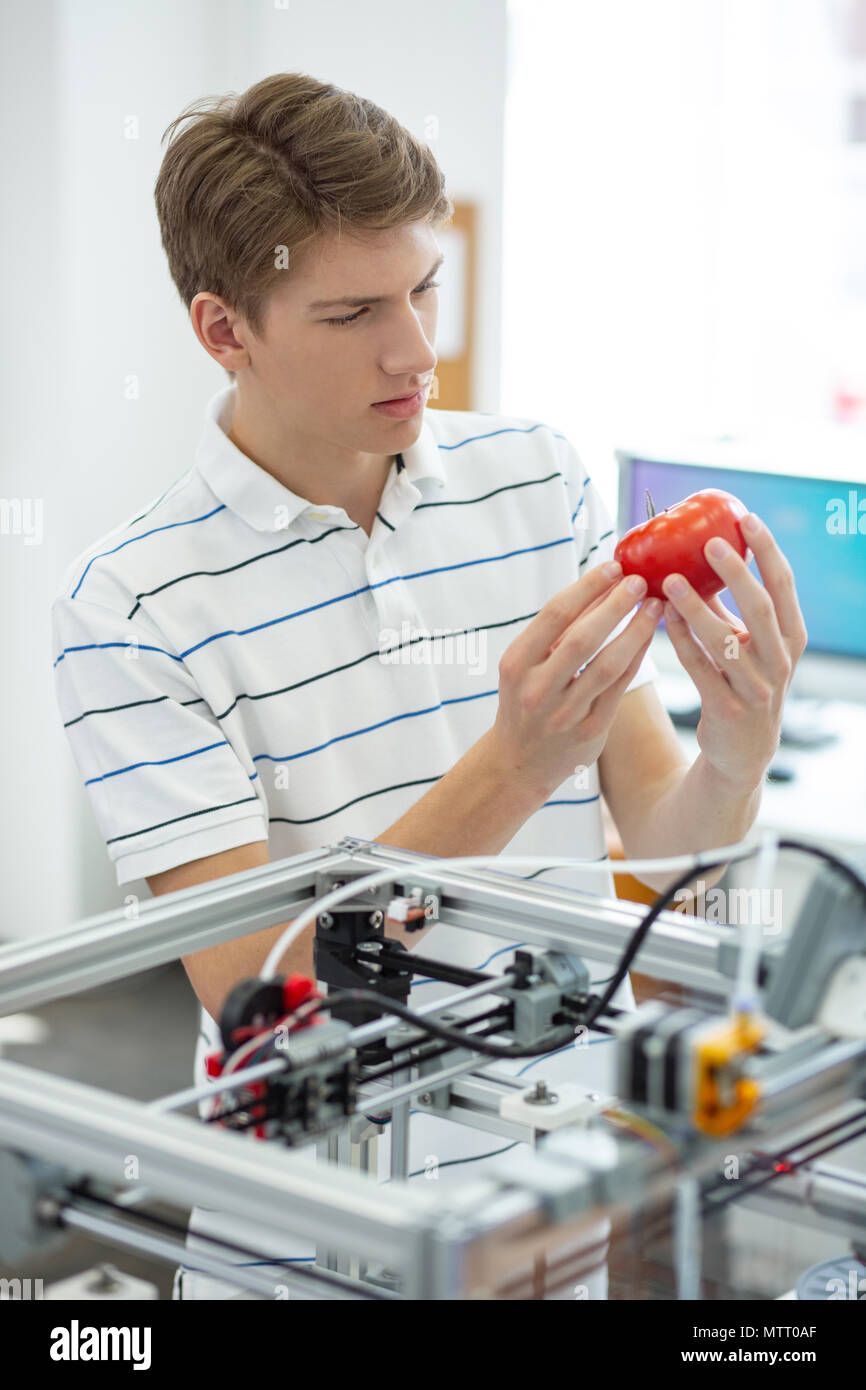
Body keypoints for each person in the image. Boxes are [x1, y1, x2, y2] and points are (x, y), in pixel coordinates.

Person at [51, 72, 807, 1301]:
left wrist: (735, 751)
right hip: (304, 1245)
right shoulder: (128, 605)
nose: (414, 348)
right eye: (351, 312)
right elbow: (265, 995)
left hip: (546, 1195)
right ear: (222, 329)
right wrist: (512, 767)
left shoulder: (537, 477)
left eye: (423, 286)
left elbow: (659, 850)